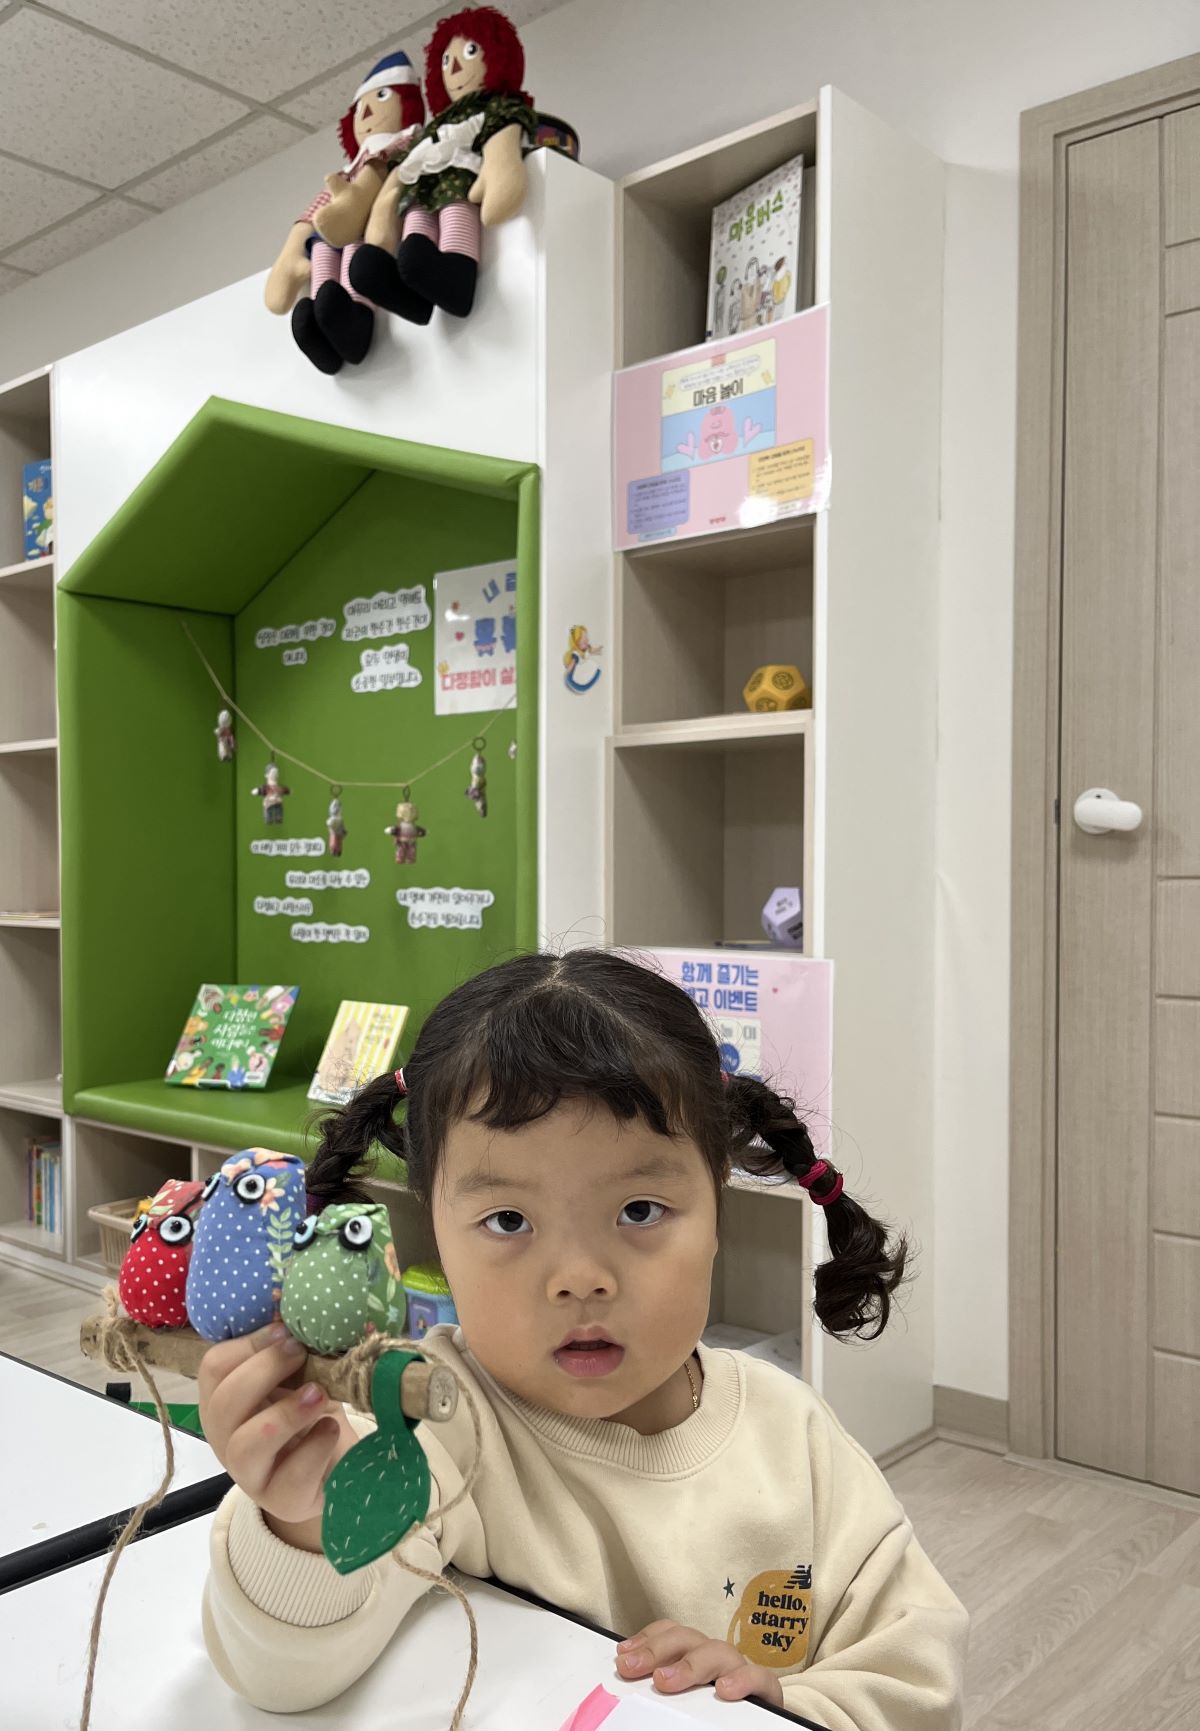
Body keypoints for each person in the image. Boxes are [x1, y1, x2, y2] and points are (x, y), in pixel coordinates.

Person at [199, 950, 967, 1726]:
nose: (579, 1278)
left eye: (639, 1210)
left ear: (717, 1209)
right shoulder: (434, 1426)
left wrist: (780, 1707)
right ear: (434, 1227)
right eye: (508, 1220)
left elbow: (917, 1677)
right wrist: (301, 1520)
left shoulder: (794, 1437)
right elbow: (281, 1676)